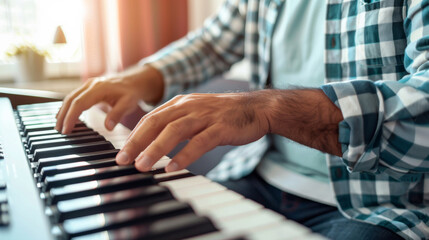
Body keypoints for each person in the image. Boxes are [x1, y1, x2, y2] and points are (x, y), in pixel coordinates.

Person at [55, 0, 429, 239]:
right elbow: (213, 43)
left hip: (384, 207)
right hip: (259, 177)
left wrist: (266, 108)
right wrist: (140, 77)